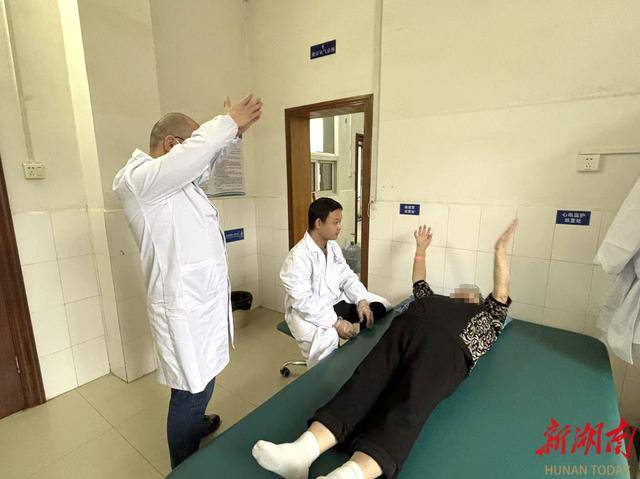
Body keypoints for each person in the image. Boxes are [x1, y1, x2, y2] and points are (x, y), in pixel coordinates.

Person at [253, 220, 518, 479]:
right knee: (364, 381)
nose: (464, 292)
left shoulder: (489, 317)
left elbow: (501, 292)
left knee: (408, 405)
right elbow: (419, 280)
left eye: (472, 293)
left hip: (447, 347)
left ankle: (350, 475)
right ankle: (301, 453)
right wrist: (421, 249)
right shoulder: (433, 299)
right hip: (407, 327)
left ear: (481, 300)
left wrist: (500, 251)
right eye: (463, 291)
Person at [112, 95, 262, 468]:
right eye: (190, 142)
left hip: (200, 305)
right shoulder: (138, 180)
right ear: (171, 144)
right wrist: (226, 122)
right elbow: (194, 157)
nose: (195, 154)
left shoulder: (175, 183)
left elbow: (203, 164)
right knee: (189, 390)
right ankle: (184, 465)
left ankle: (195, 423)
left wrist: (233, 135)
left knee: (204, 378)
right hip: (182, 309)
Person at [280, 198, 390, 368]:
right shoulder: (298, 258)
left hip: (334, 300)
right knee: (329, 342)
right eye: (335, 222)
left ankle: (365, 359)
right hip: (307, 313)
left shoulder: (332, 247)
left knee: (379, 306)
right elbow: (303, 302)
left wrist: (361, 300)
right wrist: (336, 323)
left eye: (340, 222)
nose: (339, 227)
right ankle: (328, 380)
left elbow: (347, 276)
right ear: (318, 223)